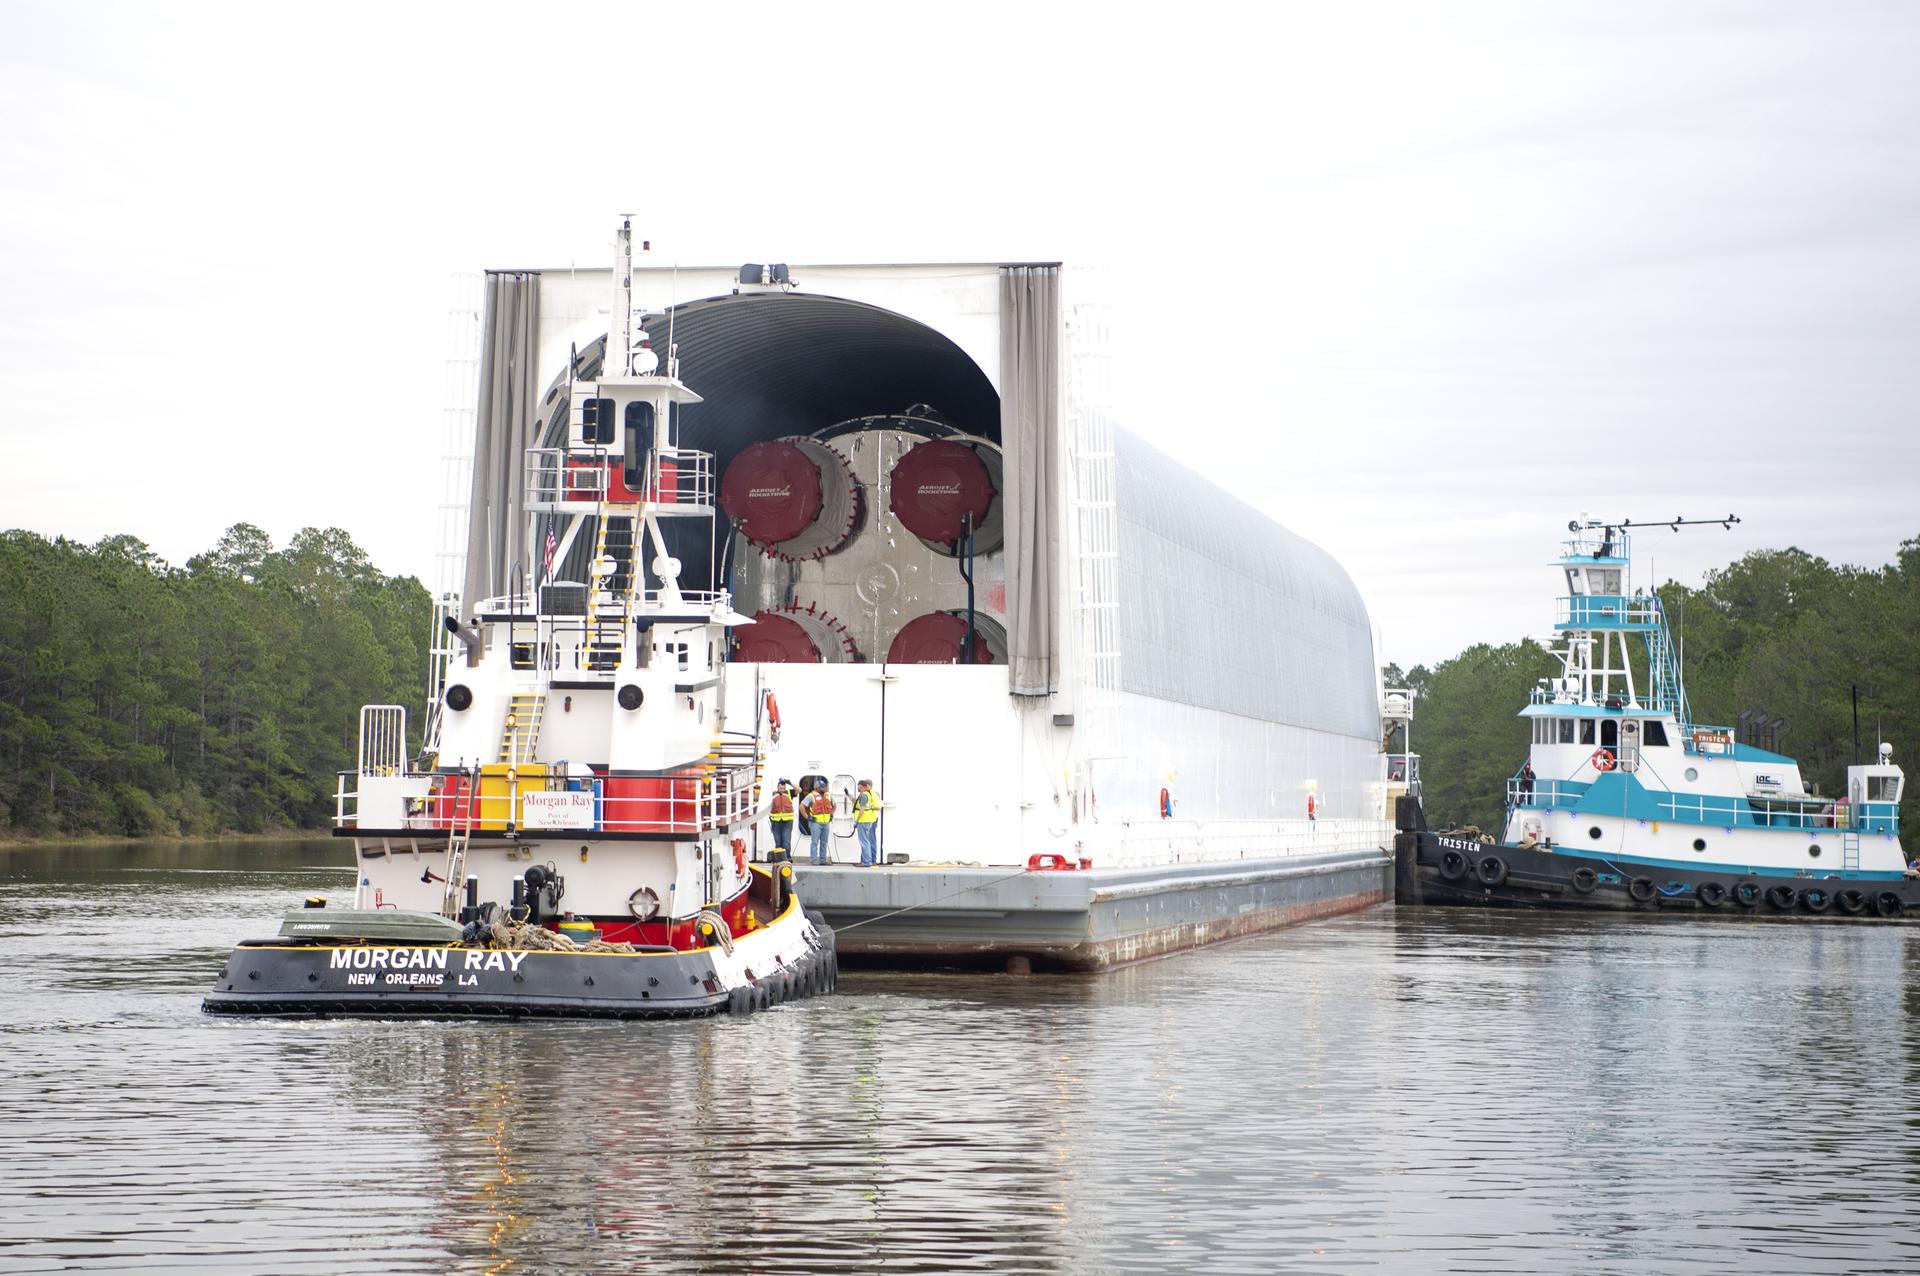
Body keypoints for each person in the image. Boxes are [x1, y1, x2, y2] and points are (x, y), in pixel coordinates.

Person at [853, 779, 882, 866]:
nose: (858, 787)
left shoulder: (864, 795)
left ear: (865, 786)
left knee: (864, 841)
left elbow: (862, 809)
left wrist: (857, 820)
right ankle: (869, 861)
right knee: (868, 841)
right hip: (869, 820)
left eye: (859, 786)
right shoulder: (870, 794)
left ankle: (866, 862)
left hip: (864, 821)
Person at [806, 780, 835, 865]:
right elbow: (802, 806)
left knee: (824, 842)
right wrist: (808, 817)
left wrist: (831, 814)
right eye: (822, 787)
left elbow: (835, 805)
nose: (824, 788)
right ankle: (814, 860)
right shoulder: (811, 796)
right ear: (817, 788)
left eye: (824, 786)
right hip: (815, 823)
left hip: (826, 823)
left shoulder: (829, 795)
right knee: (815, 842)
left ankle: (823, 860)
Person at [768, 779, 795, 862]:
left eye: (784, 788)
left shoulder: (789, 793)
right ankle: (779, 859)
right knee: (778, 842)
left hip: (787, 822)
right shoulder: (772, 795)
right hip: (775, 822)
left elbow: (799, 790)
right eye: (781, 788)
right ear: (777, 788)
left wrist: (790, 783)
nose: (782, 790)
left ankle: (787, 858)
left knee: (786, 841)